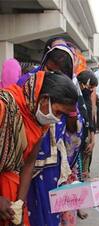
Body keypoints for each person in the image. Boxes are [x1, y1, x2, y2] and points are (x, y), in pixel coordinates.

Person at [0, 71, 78, 226]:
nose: (58, 119)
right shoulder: (4, 107)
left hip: (11, 196)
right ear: (44, 99)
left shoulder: (39, 122)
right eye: (58, 112)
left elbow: (29, 163)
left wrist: (20, 203)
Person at [77, 70, 98, 179]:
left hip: (87, 137)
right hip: (77, 140)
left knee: (85, 171)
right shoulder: (75, 98)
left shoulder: (88, 100)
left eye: (92, 89)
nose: (90, 91)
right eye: (89, 87)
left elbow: (91, 119)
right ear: (81, 84)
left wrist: (93, 140)